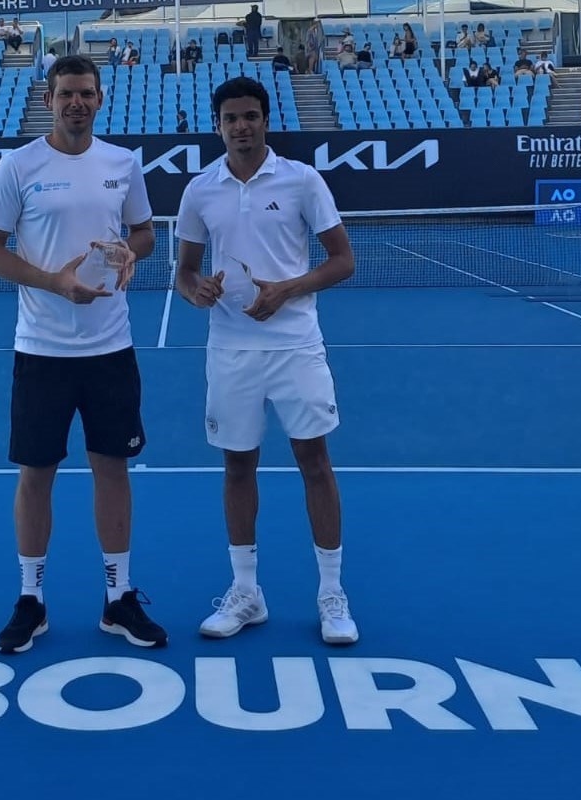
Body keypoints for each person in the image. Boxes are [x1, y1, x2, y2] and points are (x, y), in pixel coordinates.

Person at [0, 54, 166, 655]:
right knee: (38, 475)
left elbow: (144, 232)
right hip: (42, 351)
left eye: (85, 93)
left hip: (111, 347)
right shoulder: (18, 166)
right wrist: (52, 281)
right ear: (49, 100)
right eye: (65, 94)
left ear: (100, 98)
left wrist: (132, 252)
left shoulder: (122, 164)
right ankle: (30, 600)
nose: (76, 103)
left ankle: (118, 599)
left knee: (112, 468)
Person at [173, 76, 359, 645]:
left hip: (296, 346)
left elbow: (343, 260)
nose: (241, 126)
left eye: (251, 116)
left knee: (314, 462)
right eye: (231, 118)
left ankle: (332, 593)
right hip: (230, 350)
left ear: (265, 120)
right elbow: (183, 272)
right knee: (237, 467)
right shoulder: (199, 190)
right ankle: (246, 592)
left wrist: (287, 289)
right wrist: (196, 289)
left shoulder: (302, 181)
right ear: (218, 125)